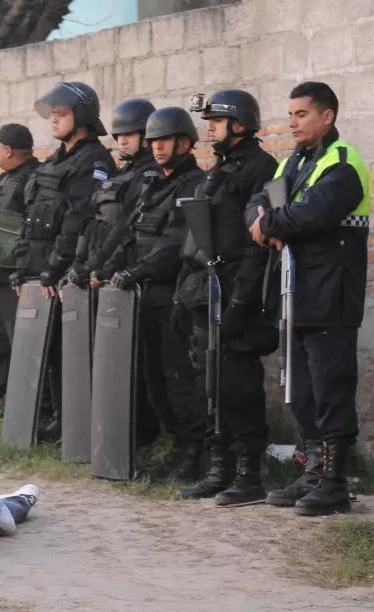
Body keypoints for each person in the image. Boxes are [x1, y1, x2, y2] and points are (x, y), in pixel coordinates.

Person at [246, 82, 370, 517]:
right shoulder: (292, 161)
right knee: (301, 391)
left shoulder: (343, 163)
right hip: (296, 292)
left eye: (301, 114)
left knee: (331, 387)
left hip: (331, 293)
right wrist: (261, 221)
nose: (292, 122)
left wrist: (271, 225)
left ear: (327, 117)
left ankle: (334, 483)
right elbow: (259, 200)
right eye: (291, 114)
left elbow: (312, 213)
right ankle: (312, 471)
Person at [175, 90, 278, 505]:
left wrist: (240, 302)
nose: (209, 127)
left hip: (240, 292)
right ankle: (220, 469)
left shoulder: (261, 168)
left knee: (239, 386)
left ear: (239, 123)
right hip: (208, 290)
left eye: (216, 120)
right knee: (210, 384)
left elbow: (257, 246)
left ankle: (248, 475)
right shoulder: (218, 170)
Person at [98, 107, 207, 481]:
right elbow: (131, 235)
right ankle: (176, 447)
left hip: (174, 295)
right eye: (155, 141)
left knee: (178, 378)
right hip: (144, 296)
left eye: (166, 140)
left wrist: (136, 272)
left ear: (185, 142)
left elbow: (175, 243)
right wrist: (107, 269)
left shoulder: (194, 184)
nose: (158, 148)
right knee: (154, 380)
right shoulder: (153, 185)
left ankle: (193, 453)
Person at [9, 82, 116, 441]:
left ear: (81, 117)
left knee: (70, 351)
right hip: (40, 269)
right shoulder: (55, 159)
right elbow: (31, 215)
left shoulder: (95, 160)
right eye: (52, 115)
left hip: (67, 271)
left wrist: (56, 266)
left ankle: (73, 424)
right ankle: (52, 419)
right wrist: (22, 265)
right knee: (46, 349)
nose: (54, 121)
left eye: (62, 114)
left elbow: (78, 219)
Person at [73, 97, 162, 449]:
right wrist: (86, 266)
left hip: (130, 277)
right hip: (107, 276)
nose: (123, 141)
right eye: (119, 135)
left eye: (131, 134)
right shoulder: (120, 172)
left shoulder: (148, 176)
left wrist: (103, 266)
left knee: (137, 367)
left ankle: (139, 439)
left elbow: (125, 228)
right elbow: (96, 222)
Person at [0, 123, 40, 418]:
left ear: (8, 150)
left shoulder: (32, 180)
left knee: (22, 347)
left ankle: (23, 411)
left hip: (16, 281)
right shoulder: (3, 180)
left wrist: (24, 270)